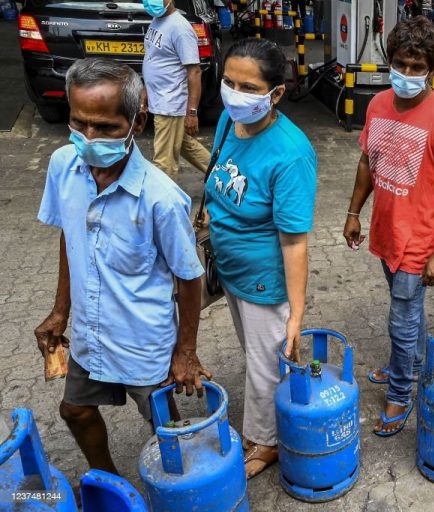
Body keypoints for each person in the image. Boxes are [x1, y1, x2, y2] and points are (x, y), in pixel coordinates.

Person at [35, 58, 209, 476]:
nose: (90, 138)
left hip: (144, 341)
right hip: (91, 332)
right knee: (74, 410)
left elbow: (190, 277)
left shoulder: (161, 198)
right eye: (79, 124)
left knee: (165, 427)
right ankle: (109, 482)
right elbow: (69, 234)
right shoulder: (63, 166)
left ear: (138, 121)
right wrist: (61, 310)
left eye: (106, 127)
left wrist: (185, 352)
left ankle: (179, 489)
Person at [343, 16, 434, 436]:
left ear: (432, 69)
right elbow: (368, 161)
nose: (408, 74)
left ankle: (401, 393)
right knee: (409, 314)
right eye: (401, 64)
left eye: (418, 68)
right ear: (390, 61)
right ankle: (413, 364)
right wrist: (352, 212)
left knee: (400, 320)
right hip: (386, 234)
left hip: (419, 244)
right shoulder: (379, 105)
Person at [205, 39, 317, 478]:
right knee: (256, 356)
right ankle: (263, 429)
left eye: (248, 87)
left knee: (267, 365)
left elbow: (295, 243)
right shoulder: (230, 123)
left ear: (275, 94)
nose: (234, 93)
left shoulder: (291, 154)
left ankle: (267, 442)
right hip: (231, 272)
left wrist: (295, 313)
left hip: (264, 282)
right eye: (229, 82)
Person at [142, 0, 211, 181]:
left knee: (163, 163)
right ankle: (222, 178)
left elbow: (194, 72)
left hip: (170, 103)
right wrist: (145, 91)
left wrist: (192, 112)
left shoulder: (180, 28)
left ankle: (161, 202)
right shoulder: (158, 20)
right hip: (160, 99)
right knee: (184, 145)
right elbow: (152, 58)